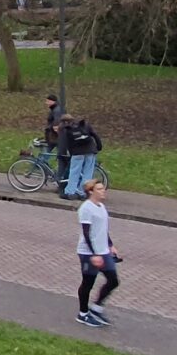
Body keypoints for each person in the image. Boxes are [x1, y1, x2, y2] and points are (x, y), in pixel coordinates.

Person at [74, 181, 118, 327]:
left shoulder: (101, 207)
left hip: (103, 250)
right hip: (89, 253)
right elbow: (87, 233)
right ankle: (83, 314)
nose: (103, 191)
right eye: (99, 189)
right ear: (91, 191)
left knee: (113, 280)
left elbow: (102, 229)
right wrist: (94, 254)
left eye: (103, 188)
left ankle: (97, 308)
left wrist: (110, 245)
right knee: (88, 283)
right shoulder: (86, 208)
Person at [61, 114, 103, 201]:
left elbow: (68, 144)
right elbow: (94, 135)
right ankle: (83, 192)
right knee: (88, 172)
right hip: (90, 151)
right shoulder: (84, 125)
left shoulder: (68, 129)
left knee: (74, 172)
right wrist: (98, 147)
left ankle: (70, 192)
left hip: (77, 153)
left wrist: (70, 153)